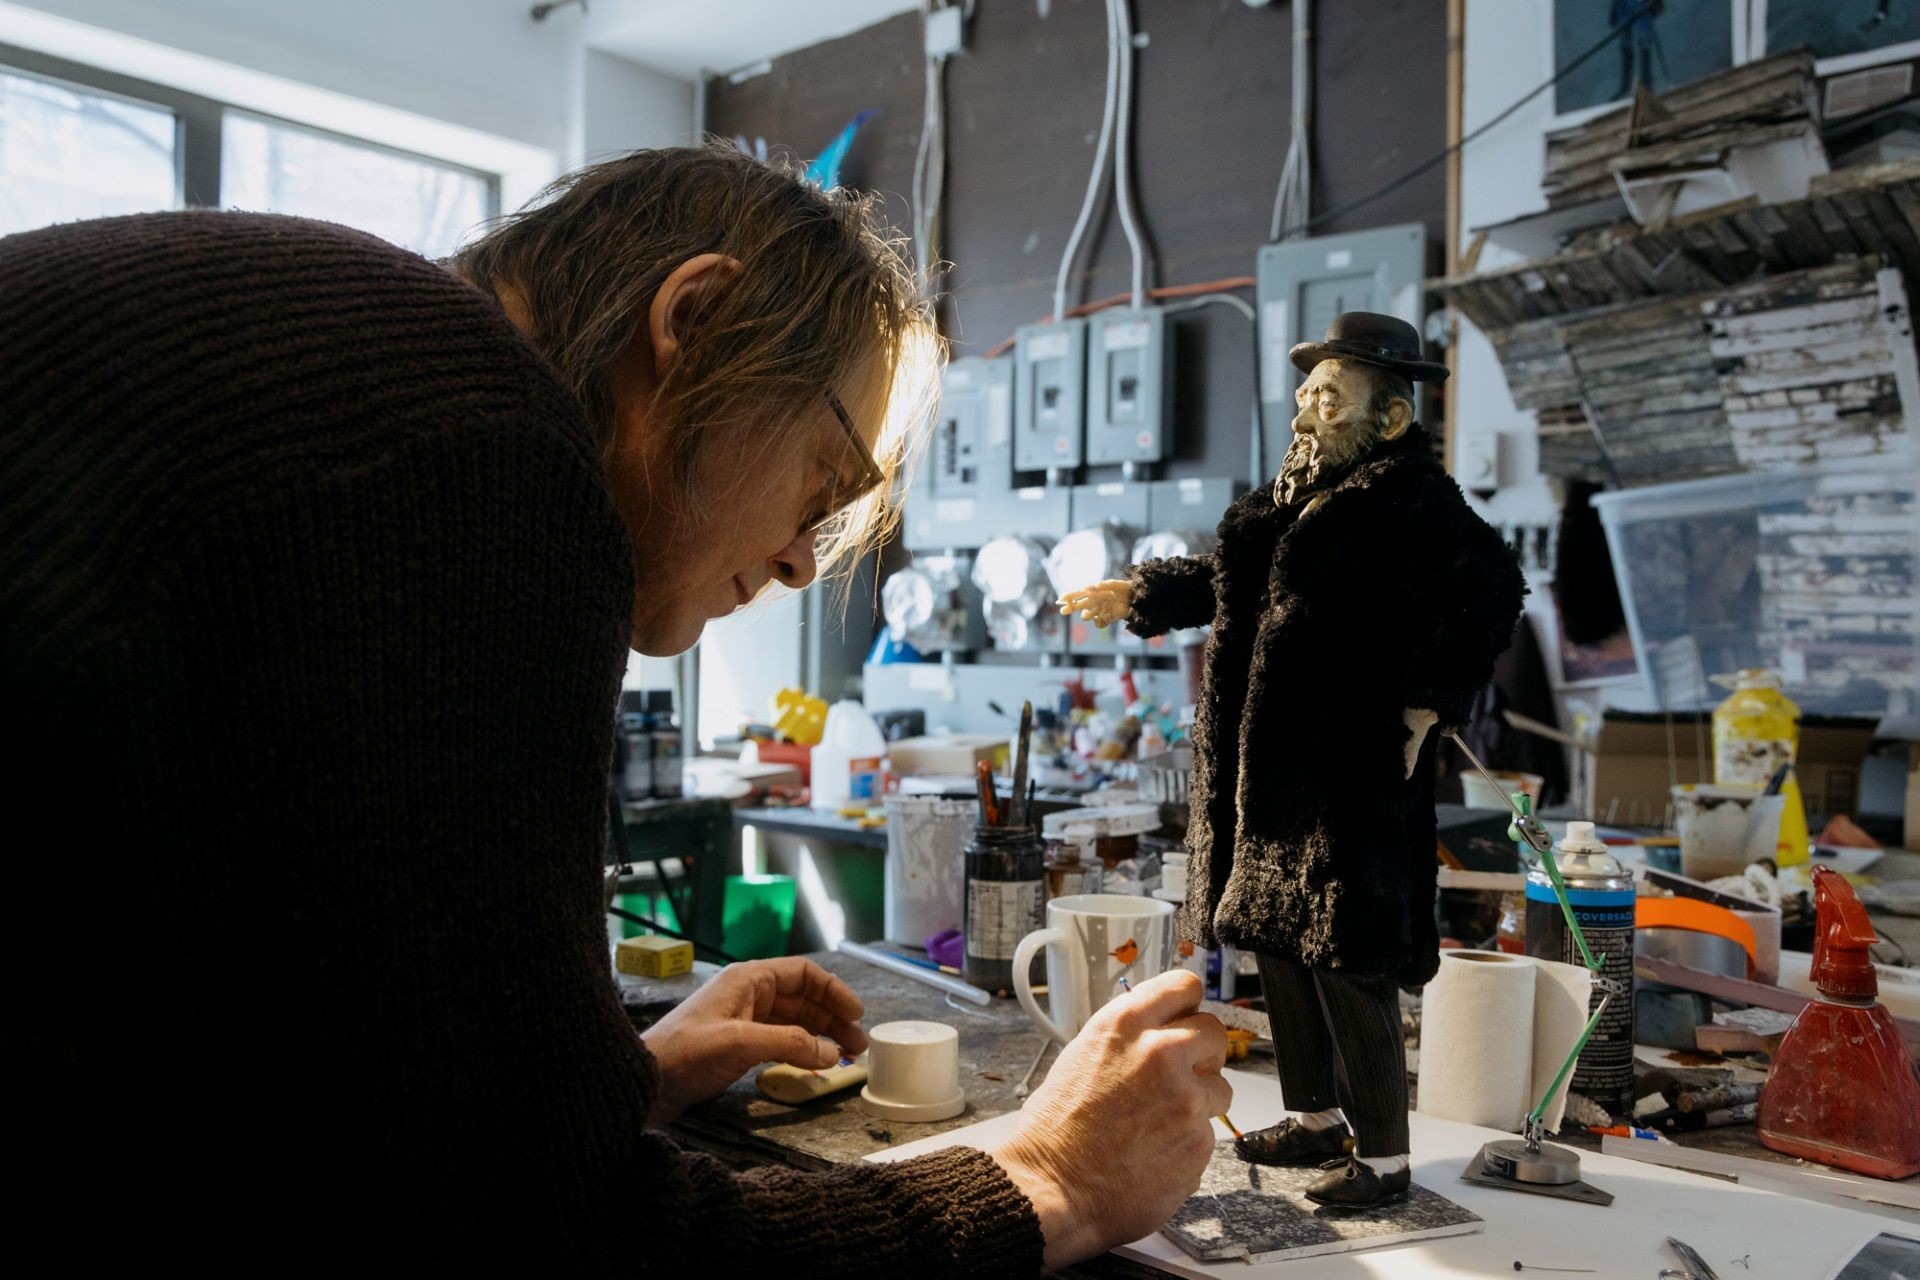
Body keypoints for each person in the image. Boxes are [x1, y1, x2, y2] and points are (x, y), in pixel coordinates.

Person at [5, 145, 1229, 1274]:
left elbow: (311, 1105)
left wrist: (597, 1085)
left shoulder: (350, 365)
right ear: (692, 320)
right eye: (823, 484)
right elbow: (546, 1248)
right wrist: (1048, 1177)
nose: (801, 558)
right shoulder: (474, 443)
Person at [1059, 313, 1524, 1209]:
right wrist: (1142, 592)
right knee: (1278, 942)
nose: (1308, 412)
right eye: (1308, 394)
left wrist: (1426, 706)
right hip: (1268, 779)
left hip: (1353, 776)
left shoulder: (1413, 500)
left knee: (1349, 959)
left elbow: (1493, 588)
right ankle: (1314, 1117)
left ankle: (1384, 1159)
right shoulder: (1293, 500)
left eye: (1331, 399)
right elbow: (1230, 581)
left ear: (1390, 417)